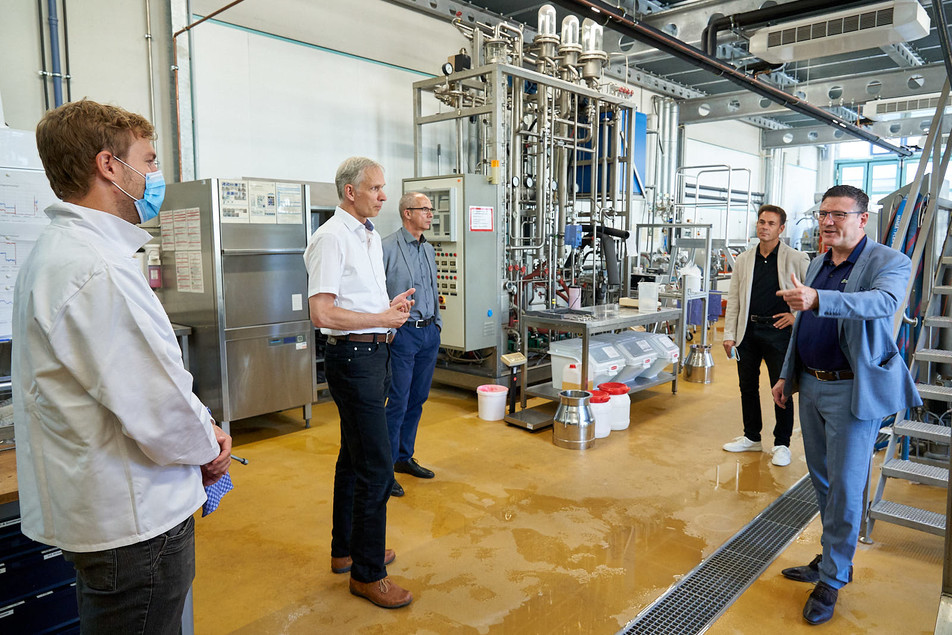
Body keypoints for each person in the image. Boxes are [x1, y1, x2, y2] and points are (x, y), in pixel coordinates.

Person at [12, 99, 232, 633]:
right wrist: (209, 449)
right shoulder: (97, 269)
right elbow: (156, 405)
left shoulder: (62, 252)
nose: (156, 176)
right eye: (150, 161)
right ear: (109, 165)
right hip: (136, 522)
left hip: (108, 509)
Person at [770, 184, 921, 625]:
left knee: (847, 487)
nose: (828, 222)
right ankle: (832, 557)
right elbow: (803, 325)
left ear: (862, 218)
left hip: (853, 392)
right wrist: (785, 373)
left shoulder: (889, 262)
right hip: (812, 385)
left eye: (839, 214)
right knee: (822, 480)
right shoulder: (818, 262)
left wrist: (819, 299)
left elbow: (883, 303)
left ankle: (833, 579)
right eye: (823, 214)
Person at [304, 156, 416, 609]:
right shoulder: (331, 238)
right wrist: (379, 317)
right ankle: (369, 574)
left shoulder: (365, 235)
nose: (384, 196)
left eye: (383, 188)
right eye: (375, 188)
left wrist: (387, 308)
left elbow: (353, 299)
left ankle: (346, 549)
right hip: (352, 357)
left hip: (372, 351)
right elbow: (323, 313)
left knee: (354, 458)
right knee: (377, 465)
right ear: (350, 191)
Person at [722, 205, 809, 466]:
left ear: (781, 228)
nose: (764, 227)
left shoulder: (797, 258)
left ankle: (782, 444)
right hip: (747, 332)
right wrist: (729, 334)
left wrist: (796, 318)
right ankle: (752, 437)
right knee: (746, 386)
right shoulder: (744, 259)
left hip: (779, 332)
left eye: (771, 223)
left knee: (782, 390)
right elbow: (734, 299)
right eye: (761, 222)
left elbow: (812, 295)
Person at [382, 192, 442, 497]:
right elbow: (377, 290)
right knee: (398, 402)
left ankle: (404, 457)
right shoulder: (387, 247)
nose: (431, 214)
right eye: (425, 209)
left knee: (418, 399)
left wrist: (438, 325)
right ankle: (386, 467)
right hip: (403, 334)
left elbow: (433, 288)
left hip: (428, 333)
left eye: (431, 210)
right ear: (407, 213)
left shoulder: (428, 249)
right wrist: (388, 328)